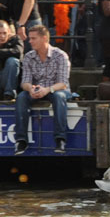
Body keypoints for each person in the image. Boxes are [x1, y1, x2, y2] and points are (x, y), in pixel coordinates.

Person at [14, 25, 70, 154]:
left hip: (56, 89)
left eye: (34, 38)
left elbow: (63, 83)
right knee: (22, 97)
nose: (30, 41)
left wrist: (47, 90)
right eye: (30, 38)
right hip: (37, 89)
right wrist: (31, 89)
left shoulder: (60, 55)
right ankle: (21, 140)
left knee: (59, 96)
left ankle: (60, 139)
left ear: (44, 38)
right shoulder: (29, 56)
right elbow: (25, 82)